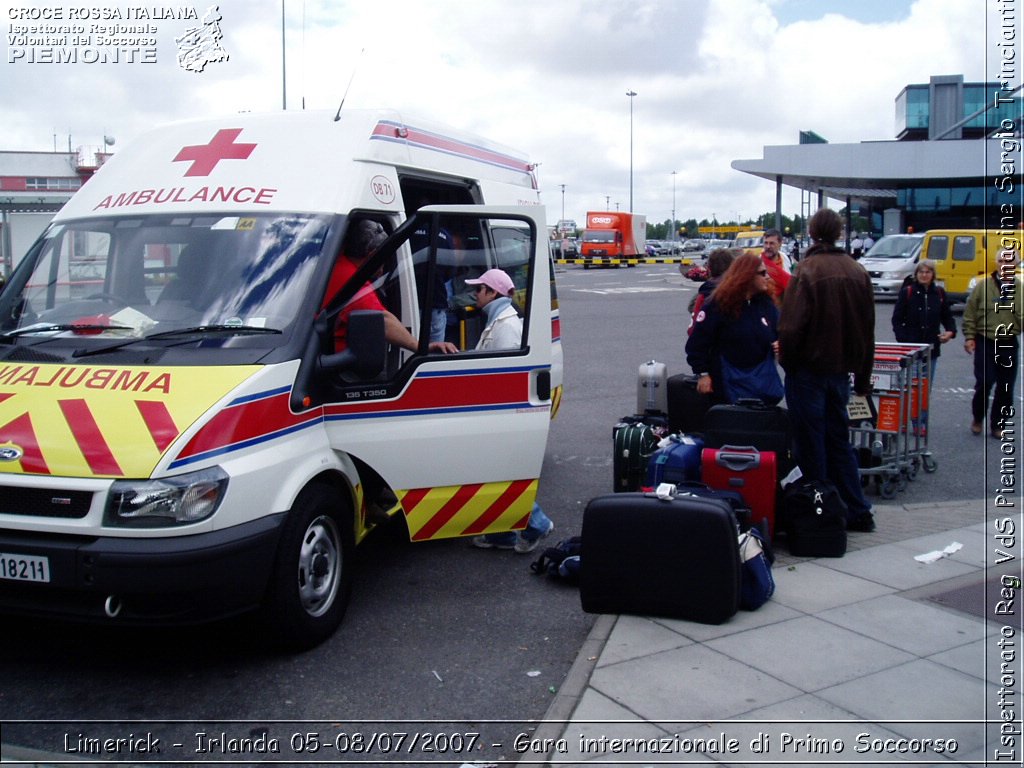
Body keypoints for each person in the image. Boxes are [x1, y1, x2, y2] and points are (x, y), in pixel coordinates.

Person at [778, 208, 876, 533]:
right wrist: (862, 377)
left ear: (810, 232)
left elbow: (791, 329)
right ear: (838, 232)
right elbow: (867, 330)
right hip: (840, 372)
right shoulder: (857, 271)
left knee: (810, 443)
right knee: (839, 440)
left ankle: (821, 510)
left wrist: (788, 364)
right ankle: (858, 509)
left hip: (808, 371)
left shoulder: (806, 271)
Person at [467, 268, 555, 553]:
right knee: (494, 474)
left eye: (479, 289)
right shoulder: (498, 322)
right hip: (495, 412)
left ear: (492, 293)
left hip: (502, 413)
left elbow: (506, 376)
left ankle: (538, 524)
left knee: (502, 476)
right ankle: (501, 535)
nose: (475, 294)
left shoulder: (506, 327)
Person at [325, 219, 458, 355]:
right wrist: (419, 347)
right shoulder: (351, 280)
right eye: (384, 259)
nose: (383, 269)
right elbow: (384, 321)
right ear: (372, 255)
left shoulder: (336, 263)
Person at [686, 252, 783, 405]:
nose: (767, 277)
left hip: (761, 379)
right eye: (762, 273)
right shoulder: (718, 304)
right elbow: (697, 342)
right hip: (727, 381)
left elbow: (779, 330)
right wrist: (703, 373)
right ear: (747, 276)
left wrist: (779, 342)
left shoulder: (765, 303)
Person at [962, 248, 1024, 438]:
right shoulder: (983, 286)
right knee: (985, 382)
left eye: (1010, 264)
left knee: (1006, 387)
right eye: (1002, 262)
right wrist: (970, 337)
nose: (1005, 266)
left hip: (1008, 342)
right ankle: (977, 418)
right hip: (985, 341)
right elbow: (970, 313)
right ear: (996, 263)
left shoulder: (1020, 288)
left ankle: (998, 424)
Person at [891, 259, 956, 381]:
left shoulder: (939, 293)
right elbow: (897, 319)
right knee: (910, 386)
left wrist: (950, 331)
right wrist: (903, 339)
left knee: (926, 388)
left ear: (933, 275)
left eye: (928, 272)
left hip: (931, 348)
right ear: (916, 274)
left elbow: (947, 316)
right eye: (921, 272)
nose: (924, 275)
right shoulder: (908, 292)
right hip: (911, 348)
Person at [687, 247, 737, 336]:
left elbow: (692, 311)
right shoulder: (734, 293)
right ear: (731, 267)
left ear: (709, 269)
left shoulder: (704, 292)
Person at [760, 228, 791, 306]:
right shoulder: (757, 263)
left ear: (780, 244)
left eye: (771, 243)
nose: (768, 246)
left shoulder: (786, 259)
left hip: (785, 307)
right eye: (766, 243)